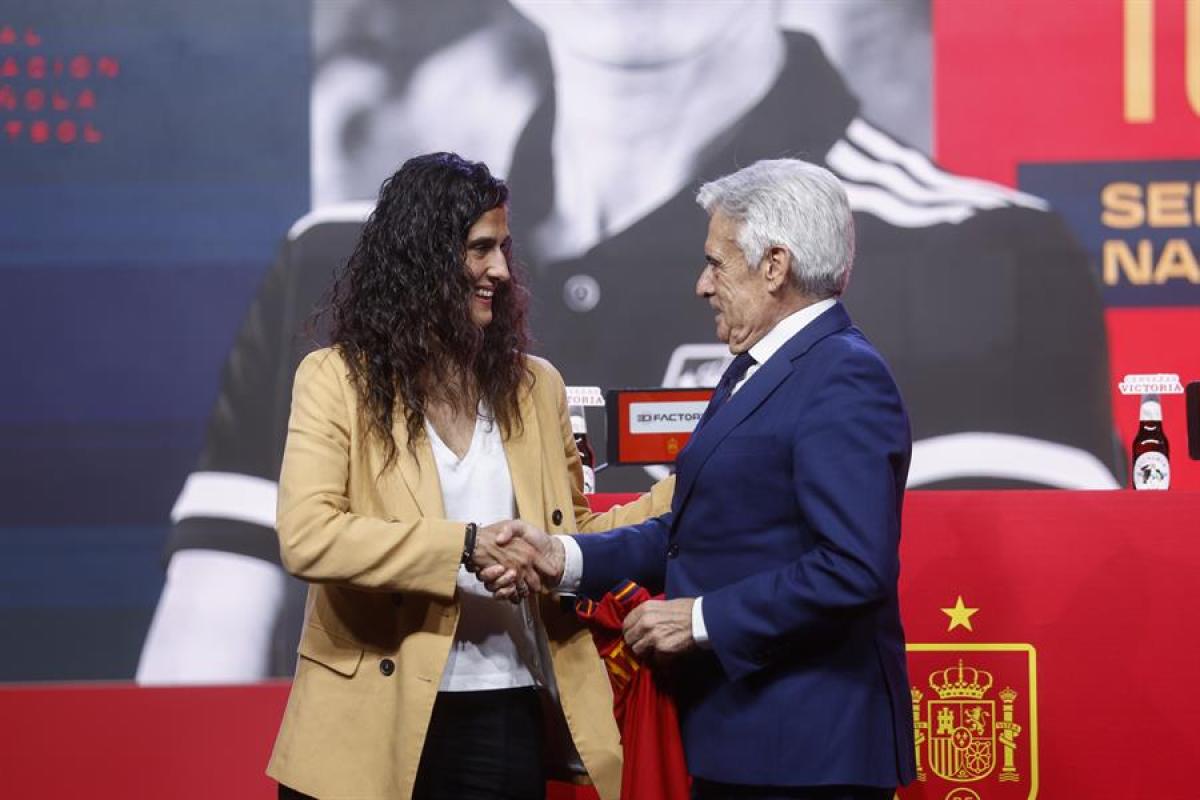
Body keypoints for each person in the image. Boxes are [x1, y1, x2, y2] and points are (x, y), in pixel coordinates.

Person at [140, 0, 1117, 685]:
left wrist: (680, 608)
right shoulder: (338, 263)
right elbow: (205, 650)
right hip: (451, 745)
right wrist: (512, 554)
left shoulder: (977, 249)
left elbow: (984, 639)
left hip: (753, 746)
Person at [491, 160, 915, 799]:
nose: (701, 284)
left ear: (774, 266)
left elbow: (855, 567)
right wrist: (564, 557)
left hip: (810, 753)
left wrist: (702, 619)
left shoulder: (842, 378)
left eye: (717, 263)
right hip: (746, 739)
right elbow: (695, 532)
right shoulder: (760, 366)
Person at [265, 153, 670, 800]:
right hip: (363, 721)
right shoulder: (335, 379)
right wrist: (464, 545)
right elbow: (309, 536)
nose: (502, 271)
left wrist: (698, 475)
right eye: (481, 249)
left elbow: (579, 532)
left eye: (505, 248)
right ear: (423, 256)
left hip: (502, 716)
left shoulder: (537, 388)